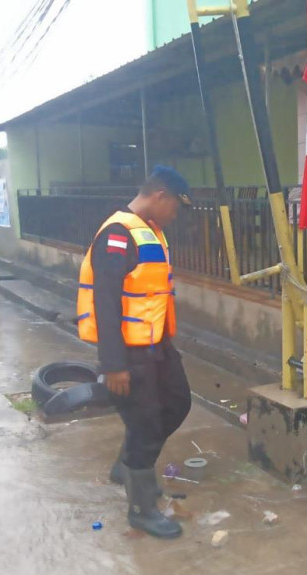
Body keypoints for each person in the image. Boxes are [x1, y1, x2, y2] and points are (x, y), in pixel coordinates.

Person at [77, 165, 192, 539]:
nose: (175, 215)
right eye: (175, 206)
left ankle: (127, 465)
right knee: (146, 426)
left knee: (178, 404)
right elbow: (105, 303)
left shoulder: (150, 230)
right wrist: (113, 364)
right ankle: (142, 509)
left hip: (157, 344)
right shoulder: (117, 235)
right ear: (160, 196)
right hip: (128, 353)